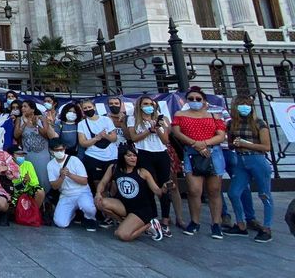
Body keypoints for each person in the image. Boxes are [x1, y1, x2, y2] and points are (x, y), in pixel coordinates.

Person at [172, 86, 227, 239]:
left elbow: (221, 135)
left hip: (213, 152)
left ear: (204, 101)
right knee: (194, 190)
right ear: (186, 101)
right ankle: (194, 221)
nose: (194, 101)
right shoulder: (180, 114)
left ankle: (216, 223)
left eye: (198, 99)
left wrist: (204, 143)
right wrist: (196, 144)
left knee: (214, 190)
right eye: (191, 99)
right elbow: (177, 132)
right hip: (191, 151)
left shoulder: (214, 115)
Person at [224, 95, 274, 242]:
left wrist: (246, 144)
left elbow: (266, 147)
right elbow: (230, 144)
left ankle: (267, 227)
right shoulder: (231, 124)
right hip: (240, 161)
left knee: (264, 194)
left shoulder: (259, 123)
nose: (244, 107)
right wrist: (235, 143)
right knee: (233, 193)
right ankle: (240, 224)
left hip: (257, 159)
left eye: (247, 104)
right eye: (241, 104)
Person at [95, 143, 167, 241]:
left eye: (134, 156)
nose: (133, 158)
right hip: (123, 205)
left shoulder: (142, 172)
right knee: (100, 203)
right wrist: (98, 193)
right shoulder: (114, 168)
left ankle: (150, 225)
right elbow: (103, 182)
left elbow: (157, 191)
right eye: (129, 156)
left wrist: (164, 188)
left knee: (122, 235)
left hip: (141, 209)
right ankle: (123, 223)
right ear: (122, 157)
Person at [127, 95, 173, 236]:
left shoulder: (162, 118)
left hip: (161, 154)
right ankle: (152, 219)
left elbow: (165, 140)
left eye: (151, 104)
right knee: (148, 187)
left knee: (165, 186)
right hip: (144, 153)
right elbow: (133, 137)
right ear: (140, 105)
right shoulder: (133, 119)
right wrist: (148, 131)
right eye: (145, 103)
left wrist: (157, 128)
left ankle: (165, 220)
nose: (149, 106)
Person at [47, 139, 97, 230]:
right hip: (66, 195)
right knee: (60, 223)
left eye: (61, 149)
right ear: (51, 151)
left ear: (64, 148)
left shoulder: (74, 160)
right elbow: (54, 186)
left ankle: (89, 218)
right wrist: (61, 177)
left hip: (82, 192)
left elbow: (84, 181)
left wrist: (69, 174)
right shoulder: (50, 165)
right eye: (56, 150)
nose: (59, 152)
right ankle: (72, 213)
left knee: (89, 208)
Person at [77, 99, 118, 196]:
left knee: (111, 183)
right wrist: (97, 138)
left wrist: (105, 136)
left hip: (111, 156)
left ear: (94, 107)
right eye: (85, 108)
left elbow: (114, 138)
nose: (88, 109)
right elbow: (82, 143)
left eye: (89, 107)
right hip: (93, 157)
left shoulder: (106, 120)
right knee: (98, 184)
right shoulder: (82, 124)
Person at [14, 100, 54, 191]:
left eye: (25, 106)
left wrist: (36, 125)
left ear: (32, 109)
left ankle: (45, 200)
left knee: (43, 179)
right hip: (28, 156)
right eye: (22, 107)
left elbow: (46, 135)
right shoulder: (19, 119)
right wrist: (24, 123)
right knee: (30, 178)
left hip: (42, 156)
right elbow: (16, 135)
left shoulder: (41, 118)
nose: (22, 108)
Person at [8, 145, 45, 209]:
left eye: (22, 155)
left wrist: (29, 180)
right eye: (19, 154)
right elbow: (12, 188)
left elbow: (36, 183)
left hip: (28, 190)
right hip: (14, 193)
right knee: (8, 197)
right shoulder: (7, 166)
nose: (22, 157)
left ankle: (35, 212)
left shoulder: (28, 164)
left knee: (40, 191)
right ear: (11, 156)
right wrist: (24, 182)